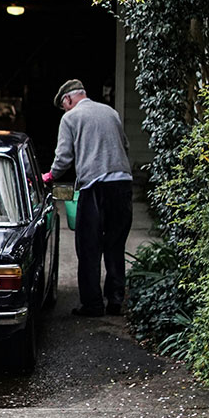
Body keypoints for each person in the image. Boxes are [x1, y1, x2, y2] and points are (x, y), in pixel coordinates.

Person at [42, 79, 132, 317]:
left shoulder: (70, 118)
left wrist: (50, 176)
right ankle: (114, 300)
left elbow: (63, 158)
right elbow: (125, 145)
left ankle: (92, 304)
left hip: (95, 187)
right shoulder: (111, 112)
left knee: (89, 247)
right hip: (122, 185)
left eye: (64, 105)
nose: (65, 110)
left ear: (69, 99)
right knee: (115, 245)